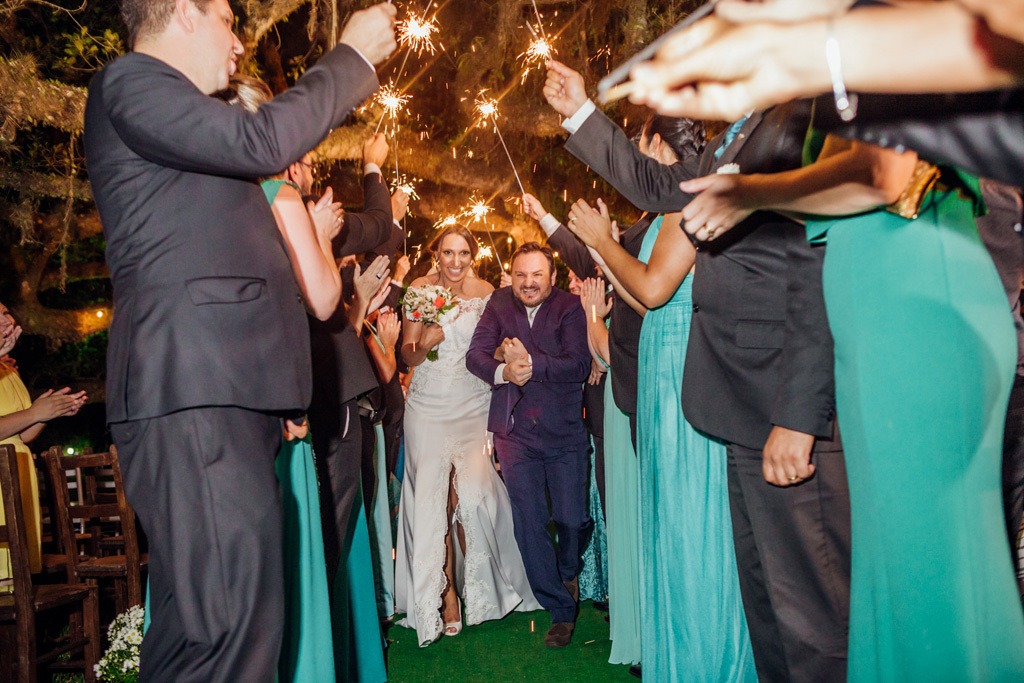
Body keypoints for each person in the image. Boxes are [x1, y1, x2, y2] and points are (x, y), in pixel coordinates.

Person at [83, 0, 396, 678]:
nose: (238, 41)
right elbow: (261, 142)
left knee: (196, 636)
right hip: (194, 395)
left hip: (217, 398)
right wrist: (353, 57)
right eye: (228, 19)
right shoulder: (130, 82)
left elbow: (236, 267)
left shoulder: (186, 135)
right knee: (234, 636)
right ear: (184, 13)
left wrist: (275, 391)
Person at [674, 127, 1024, 680]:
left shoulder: (874, 63)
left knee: (934, 591)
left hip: (919, 316)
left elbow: (882, 176)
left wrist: (751, 192)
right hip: (876, 331)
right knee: (887, 591)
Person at [545, 59, 851, 681]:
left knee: (810, 616)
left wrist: (799, 414)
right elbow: (660, 187)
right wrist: (580, 110)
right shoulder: (740, 132)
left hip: (783, 396)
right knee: (762, 600)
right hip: (728, 393)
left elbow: (824, 272)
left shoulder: (816, 116)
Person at [396, 226, 539, 647]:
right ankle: (446, 597)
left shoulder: (488, 291)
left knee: (473, 495)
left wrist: (507, 354)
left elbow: (489, 346)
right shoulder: (420, 290)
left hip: (473, 403)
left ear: (471, 256)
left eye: (462, 253)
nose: (454, 262)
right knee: (432, 499)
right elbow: (407, 353)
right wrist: (426, 342)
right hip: (427, 404)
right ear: (436, 254)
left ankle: (483, 586)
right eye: (447, 253)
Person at [466, 242, 592, 649]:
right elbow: (474, 355)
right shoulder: (498, 303)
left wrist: (533, 363)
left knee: (573, 519)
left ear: (551, 277)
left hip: (565, 432)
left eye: (537, 275)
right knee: (529, 521)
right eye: (521, 275)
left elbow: (578, 365)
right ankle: (559, 608)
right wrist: (504, 370)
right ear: (512, 276)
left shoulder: (570, 307)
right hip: (514, 433)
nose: (528, 282)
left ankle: (568, 570)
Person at [0, 302, 87, 581]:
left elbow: (21, 435)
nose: (7, 319)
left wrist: (46, 413)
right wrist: (33, 412)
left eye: (6, 312)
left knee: (20, 585)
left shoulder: (9, 369)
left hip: (19, 476)